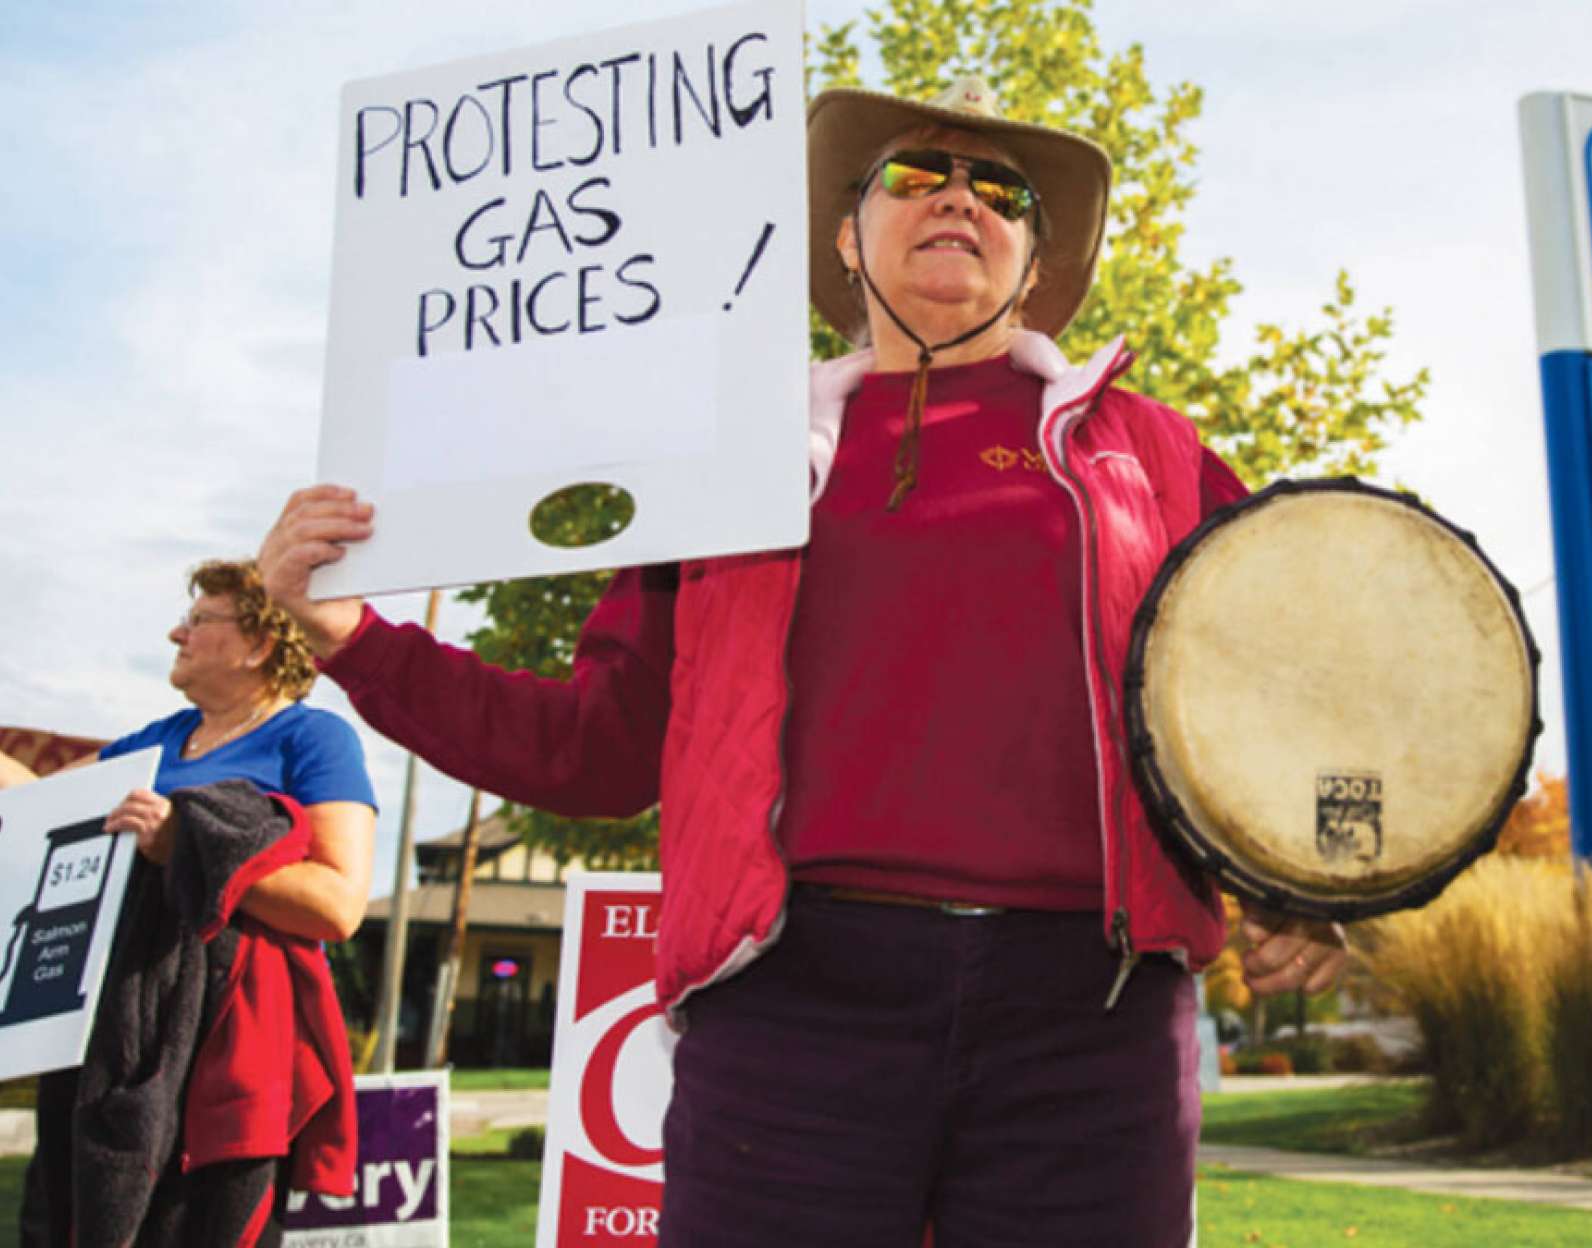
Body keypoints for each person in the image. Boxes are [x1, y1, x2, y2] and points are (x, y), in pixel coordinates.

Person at [260, 78, 1345, 1248]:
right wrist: (358, 645)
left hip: (1094, 1022)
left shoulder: (1155, 451)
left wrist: (1312, 876)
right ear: (845, 234)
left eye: (1001, 190)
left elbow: (1285, 678)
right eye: (917, 176)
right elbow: (600, 749)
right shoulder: (728, 465)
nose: (960, 201)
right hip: (792, 1014)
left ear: (1033, 263)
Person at [6, 558, 377, 1247]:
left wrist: (189, 847)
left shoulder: (314, 739)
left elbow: (338, 905)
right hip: (108, 1050)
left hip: (222, 1058)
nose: (177, 633)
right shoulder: (153, 741)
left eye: (200, 620)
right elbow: (38, 807)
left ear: (261, 642)